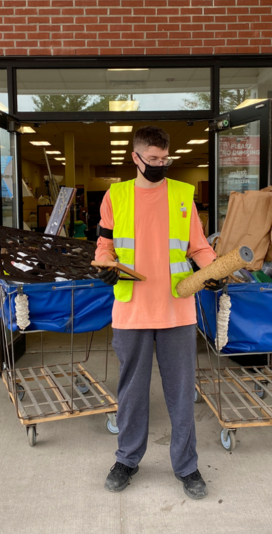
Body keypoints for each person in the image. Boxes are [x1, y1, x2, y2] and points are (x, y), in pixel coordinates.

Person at [94, 125, 225, 500]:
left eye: (164, 159)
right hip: (131, 311)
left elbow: (198, 247)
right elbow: (105, 245)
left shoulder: (183, 196)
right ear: (135, 158)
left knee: (181, 393)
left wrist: (212, 270)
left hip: (176, 311)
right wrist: (105, 264)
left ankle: (187, 466)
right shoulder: (115, 196)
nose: (159, 165)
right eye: (152, 159)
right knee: (131, 393)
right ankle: (127, 459)